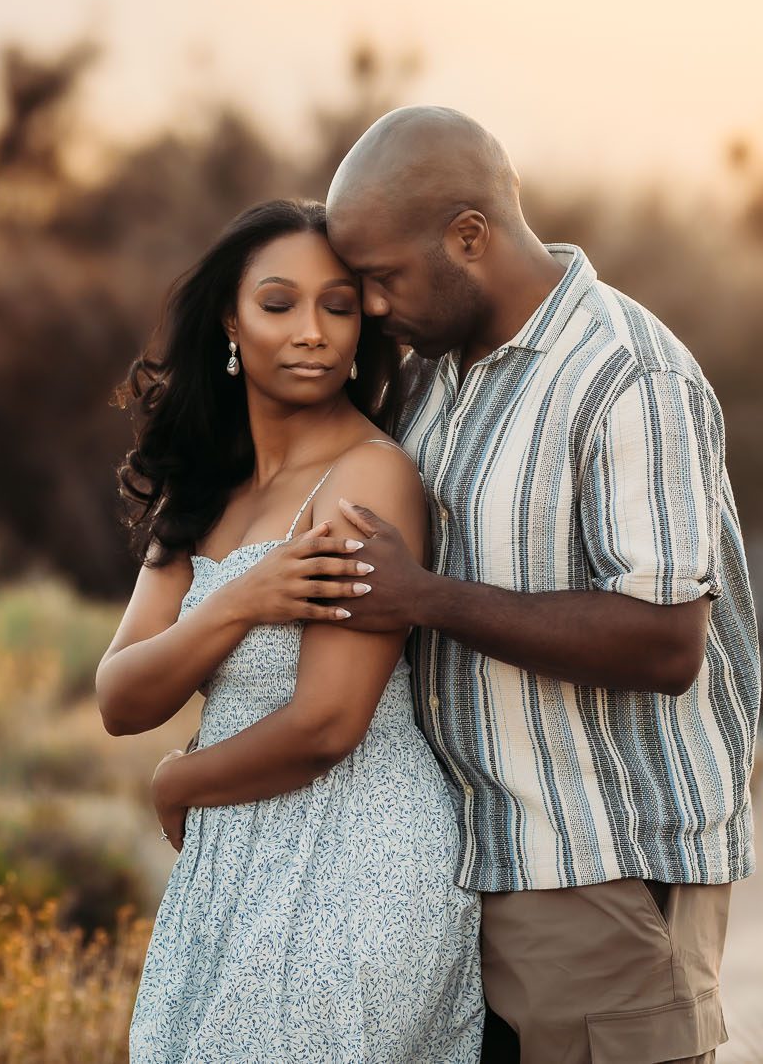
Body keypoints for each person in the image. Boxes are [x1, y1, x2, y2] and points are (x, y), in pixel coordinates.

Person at [320, 105, 761, 1064]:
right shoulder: (442, 375)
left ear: (468, 236)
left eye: (383, 278)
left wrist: (425, 596)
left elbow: (665, 641)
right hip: (477, 872)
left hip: (601, 874)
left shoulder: (627, 374)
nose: (375, 308)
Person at [97, 197, 484, 1063]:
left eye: (337, 307)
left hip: (359, 850)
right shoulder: (204, 490)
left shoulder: (368, 478)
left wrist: (178, 784)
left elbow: (327, 723)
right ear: (231, 322)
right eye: (280, 304)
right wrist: (243, 598)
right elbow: (120, 696)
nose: (312, 330)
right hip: (234, 854)